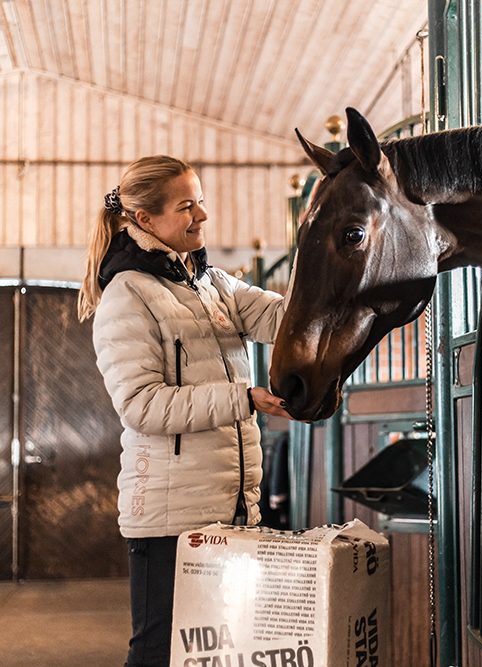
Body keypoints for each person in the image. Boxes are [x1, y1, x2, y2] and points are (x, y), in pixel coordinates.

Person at [77, 155, 294, 667]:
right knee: (158, 653)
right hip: (169, 520)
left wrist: (339, 278)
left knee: (221, 651)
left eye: (201, 200)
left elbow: (282, 318)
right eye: (185, 206)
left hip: (234, 507)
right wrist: (245, 398)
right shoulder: (127, 296)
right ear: (144, 220)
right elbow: (141, 405)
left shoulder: (212, 283)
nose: (201, 215)